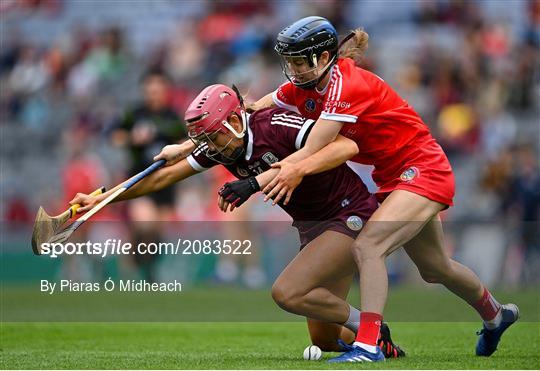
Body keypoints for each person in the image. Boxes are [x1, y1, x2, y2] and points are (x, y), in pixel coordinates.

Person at [240, 16, 519, 362]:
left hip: (423, 168)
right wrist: (242, 112)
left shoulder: (347, 85)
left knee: (369, 246)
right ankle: (496, 315)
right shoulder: (311, 84)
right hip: (394, 177)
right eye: (291, 62)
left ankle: (369, 344)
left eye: (300, 62)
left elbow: (315, 145)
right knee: (435, 268)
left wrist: (260, 179)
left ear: (323, 58)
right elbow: (271, 100)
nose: (294, 70)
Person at [71, 84, 404, 358]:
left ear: (234, 121)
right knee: (324, 341)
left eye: (212, 138)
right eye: (204, 141)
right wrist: (102, 198)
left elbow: (346, 146)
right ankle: (376, 338)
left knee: (287, 292)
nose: (209, 148)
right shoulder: (220, 146)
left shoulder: (274, 126)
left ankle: (372, 329)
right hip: (313, 226)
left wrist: (290, 170)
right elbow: (161, 179)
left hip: (349, 213)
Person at [111, 67, 186, 282]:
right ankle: (136, 266)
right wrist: (131, 138)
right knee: (145, 223)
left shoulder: (173, 117)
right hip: (140, 178)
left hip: (167, 181)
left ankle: (147, 271)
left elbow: (186, 142)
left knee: (157, 233)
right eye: (150, 89)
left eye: (158, 88)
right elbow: (114, 136)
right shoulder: (134, 114)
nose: (154, 93)